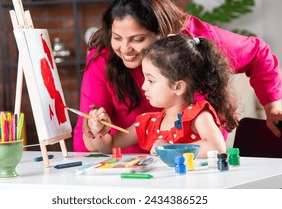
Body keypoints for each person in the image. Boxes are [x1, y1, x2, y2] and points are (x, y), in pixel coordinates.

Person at [73, 0, 282, 153]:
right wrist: (94, 130)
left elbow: (258, 54)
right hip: (138, 168)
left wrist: (272, 108)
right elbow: (93, 141)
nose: (125, 49)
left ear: (163, 34)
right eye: (117, 37)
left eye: (137, 39)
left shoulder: (196, 44)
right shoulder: (105, 59)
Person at [84, 34, 238, 158]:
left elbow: (217, 147)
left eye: (151, 80)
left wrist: (170, 149)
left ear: (177, 87)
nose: (144, 86)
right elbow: (110, 146)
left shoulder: (198, 115)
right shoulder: (149, 123)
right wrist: (99, 130)